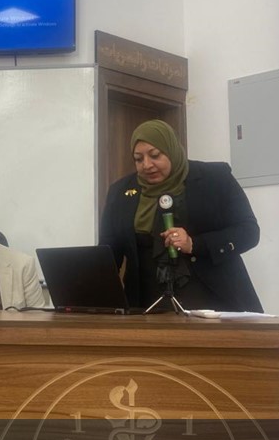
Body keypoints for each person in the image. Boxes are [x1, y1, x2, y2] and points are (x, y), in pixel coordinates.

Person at [98, 120, 263, 312]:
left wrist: (195, 244)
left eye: (155, 155)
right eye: (138, 159)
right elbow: (108, 254)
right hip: (147, 307)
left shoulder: (215, 178)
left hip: (214, 303)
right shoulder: (120, 192)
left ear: (172, 150)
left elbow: (249, 232)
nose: (147, 165)